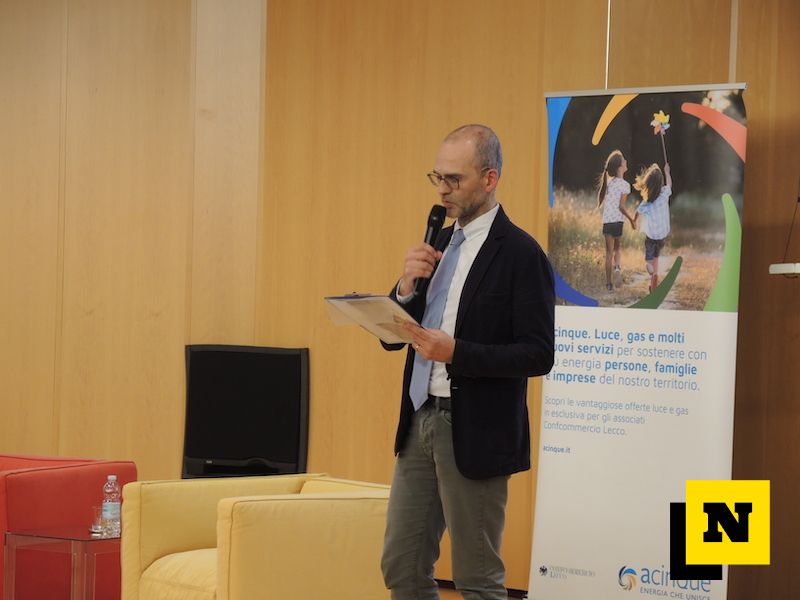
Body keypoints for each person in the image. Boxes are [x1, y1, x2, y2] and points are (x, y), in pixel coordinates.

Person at [380, 124, 555, 600]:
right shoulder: (437, 243)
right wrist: (405, 289)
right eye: (437, 177)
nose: (442, 189)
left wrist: (456, 352)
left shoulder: (521, 254)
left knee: (476, 579)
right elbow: (397, 338)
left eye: (454, 179)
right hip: (419, 421)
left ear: (489, 178)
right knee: (401, 565)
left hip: (475, 429)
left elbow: (538, 353)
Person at [597, 149, 635, 291]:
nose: (626, 162)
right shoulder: (625, 185)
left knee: (608, 253)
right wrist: (631, 219)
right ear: (620, 167)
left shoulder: (608, 183)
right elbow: (621, 207)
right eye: (624, 160)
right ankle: (617, 268)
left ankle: (608, 284)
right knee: (617, 249)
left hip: (607, 222)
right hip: (618, 222)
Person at [633, 162, 672, 292]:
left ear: (648, 184)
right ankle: (654, 280)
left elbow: (637, 212)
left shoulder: (647, 202)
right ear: (661, 183)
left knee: (649, 261)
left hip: (651, 237)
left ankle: (651, 271)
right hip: (662, 235)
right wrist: (667, 172)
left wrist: (634, 221)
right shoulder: (665, 194)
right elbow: (669, 184)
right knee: (656, 257)